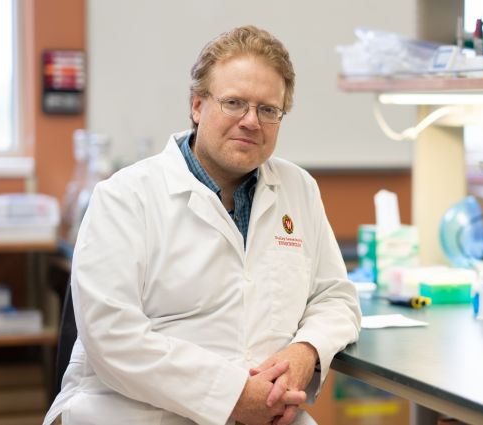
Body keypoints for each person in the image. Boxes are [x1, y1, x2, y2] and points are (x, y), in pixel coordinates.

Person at [43, 25, 361, 425]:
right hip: (130, 412)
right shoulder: (124, 197)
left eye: (268, 110)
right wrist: (232, 395)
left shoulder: (298, 189)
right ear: (197, 106)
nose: (251, 121)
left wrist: (306, 351)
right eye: (234, 103)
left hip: (267, 412)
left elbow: (336, 298)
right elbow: (112, 338)